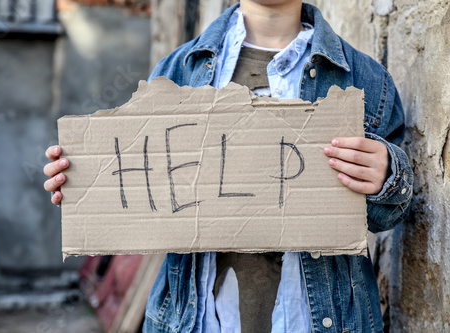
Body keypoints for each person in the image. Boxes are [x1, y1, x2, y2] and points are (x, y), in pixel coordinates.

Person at [44, 1, 413, 332]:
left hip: (319, 319)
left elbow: (385, 217)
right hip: (197, 320)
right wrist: (85, 183)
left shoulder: (365, 79)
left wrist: (387, 176)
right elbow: (142, 187)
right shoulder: (178, 69)